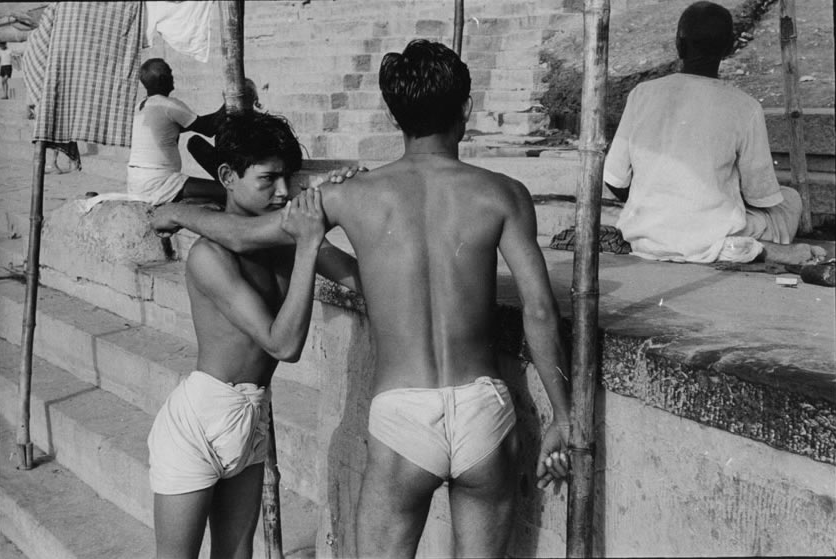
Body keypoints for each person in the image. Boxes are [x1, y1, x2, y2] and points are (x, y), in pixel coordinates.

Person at [150, 39, 570, 558]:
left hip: (404, 415)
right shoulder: (503, 193)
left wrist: (179, 213)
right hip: (483, 406)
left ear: (394, 116)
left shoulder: (350, 194)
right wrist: (564, 417)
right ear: (465, 107)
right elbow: (540, 310)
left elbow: (242, 236)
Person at [147, 111, 361, 559]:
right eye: (268, 180)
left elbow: (361, 279)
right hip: (200, 422)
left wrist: (351, 196)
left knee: (237, 552)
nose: (282, 192)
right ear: (227, 176)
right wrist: (307, 244)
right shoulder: (209, 257)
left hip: (252, 417)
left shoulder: (288, 235)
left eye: (288, 179)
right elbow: (283, 344)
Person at [604, 1, 826, 266]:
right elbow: (761, 195)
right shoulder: (746, 107)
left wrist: (662, 204)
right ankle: (739, 247)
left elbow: (615, 182)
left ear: (678, 42)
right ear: (730, 47)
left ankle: (722, 245)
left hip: (646, 236)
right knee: (790, 200)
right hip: (712, 233)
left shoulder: (641, 94)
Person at [128, 58, 227, 205]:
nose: (173, 76)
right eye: (170, 73)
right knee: (227, 192)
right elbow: (208, 128)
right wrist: (230, 99)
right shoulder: (170, 105)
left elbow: (192, 126)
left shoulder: (141, 107)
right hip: (160, 181)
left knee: (194, 142)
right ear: (163, 79)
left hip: (136, 183)